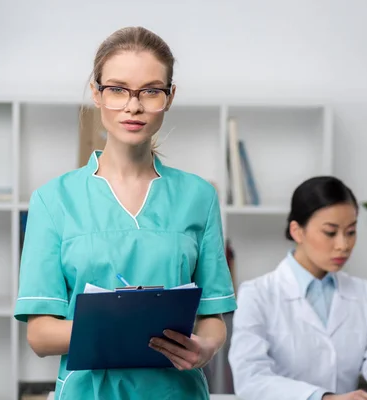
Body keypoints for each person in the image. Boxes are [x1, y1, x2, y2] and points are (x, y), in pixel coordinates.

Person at [14, 26, 237, 400]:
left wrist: (206, 348)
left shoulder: (199, 196)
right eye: (117, 89)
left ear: (169, 97)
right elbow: (39, 335)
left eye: (150, 91)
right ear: (97, 93)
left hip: (175, 392)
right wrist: (128, 325)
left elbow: (213, 316)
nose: (133, 106)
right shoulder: (53, 200)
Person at [228, 176, 367, 400]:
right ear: (297, 231)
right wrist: (323, 398)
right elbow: (250, 379)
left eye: (350, 232)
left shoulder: (363, 293)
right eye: (330, 232)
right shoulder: (257, 294)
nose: (343, 245)